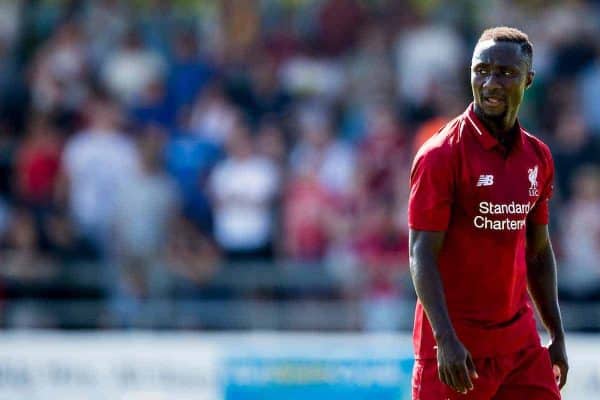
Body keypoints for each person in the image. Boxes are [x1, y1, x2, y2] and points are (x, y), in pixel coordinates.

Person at [408, 27, 568, 399]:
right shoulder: (441, 155)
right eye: (481, 70)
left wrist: (556, 333)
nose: (491, 83)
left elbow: (539, 251)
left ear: (528, 79)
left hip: (519, 344)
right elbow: (420, 253)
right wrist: (445, 340)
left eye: (505, 73)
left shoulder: (538, 157)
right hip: (455, 349)